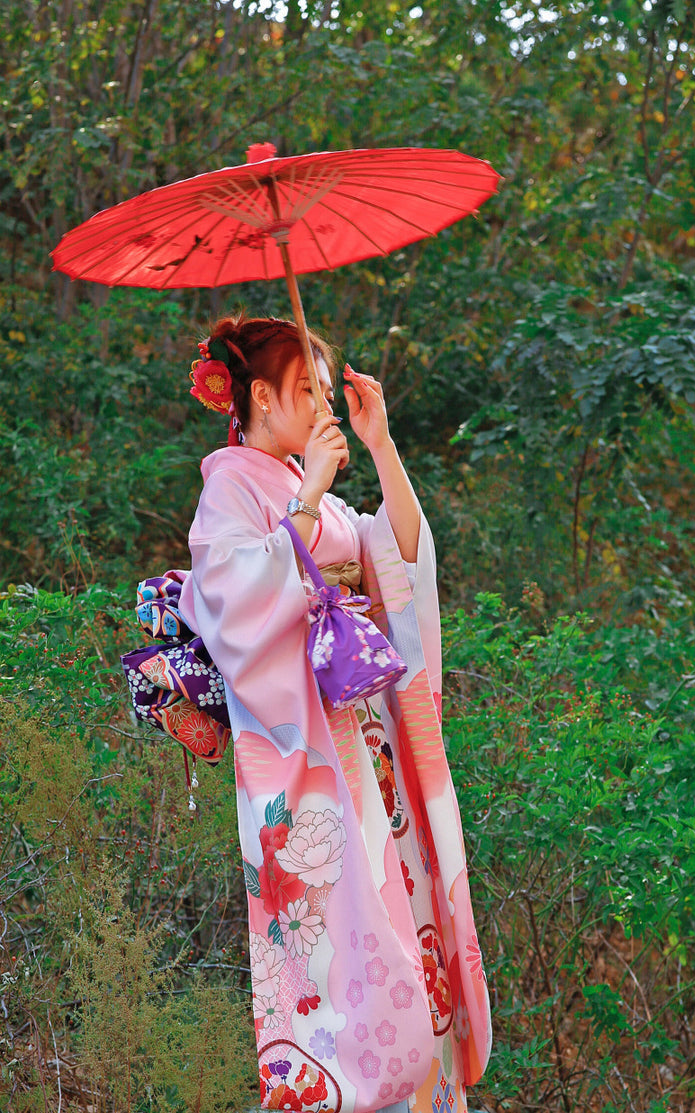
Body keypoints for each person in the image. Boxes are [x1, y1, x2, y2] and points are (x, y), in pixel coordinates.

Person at [175, 313, 492, 1113]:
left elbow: (399, 558)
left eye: (325, 389)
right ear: (259, 396)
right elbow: (239, 608)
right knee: (342, 969)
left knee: (403, 929)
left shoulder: (291, 482)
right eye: (306, 389)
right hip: (308, 767)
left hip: (367, 748)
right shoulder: (231, 490)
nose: (322, 405)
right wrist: (312, 489)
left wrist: (379, 445)